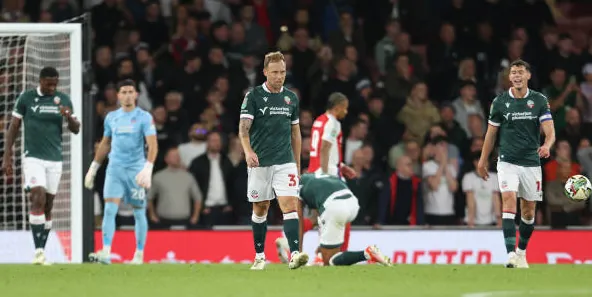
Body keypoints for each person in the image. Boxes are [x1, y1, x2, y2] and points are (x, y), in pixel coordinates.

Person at [478, 59, 555, 268]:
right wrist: (482, 160)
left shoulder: (539, 100)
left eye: (521, 72)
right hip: (507, 161)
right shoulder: (500, 102)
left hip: (531, 162)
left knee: (528, 212)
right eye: (513, 73)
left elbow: (549, 130)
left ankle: (521, 252)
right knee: (509, 200)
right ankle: (510, 254)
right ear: (509, 77)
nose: (517, 76)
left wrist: (547, 145)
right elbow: (490, 134)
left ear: (528, 75)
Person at [2, 66, 80, 265]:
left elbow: (76, 129)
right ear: (41, 81)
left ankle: (41, 252)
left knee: (48, 205)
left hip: (55, 159)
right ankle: (37, 251)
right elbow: (13, 127)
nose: (53, 87)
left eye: (55, 83)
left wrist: (68, 116)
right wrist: (7, 155)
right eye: (49, 83)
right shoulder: (26, 98)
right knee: (37, 196)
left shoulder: (63, 100)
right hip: (32, 157)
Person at [238, 51, 308, 270]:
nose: (280, 76)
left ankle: (295, 253)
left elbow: (296, 133)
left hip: (284, 161)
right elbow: (243, 129)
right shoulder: (254, 96)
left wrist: (296, 165)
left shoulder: (291, 98)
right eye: (275, 72)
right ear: (265, 72)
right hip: (260, 163)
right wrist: (248, 152)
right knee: (261, 208)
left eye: (283, 72)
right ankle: (260, 256)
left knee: (290, 205)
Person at [276, 92, 356, 265]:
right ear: (337, 107)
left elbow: (323, 149)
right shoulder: (334, 123)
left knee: (315, 218)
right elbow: (325, 149)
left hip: (313, 172)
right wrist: (326, 176)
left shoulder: (319, 120)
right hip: (325, 175)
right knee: (341, 214)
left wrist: (341, 166)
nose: (346, 112)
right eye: (345, 108)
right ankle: (334, 255)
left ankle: (289, 243)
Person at [84, 79, 158, 264]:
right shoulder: (111, 117)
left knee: (139, 212)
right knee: (109, 209)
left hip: (135, 170)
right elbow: (105, 143)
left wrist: (148, 168)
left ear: (136, 94)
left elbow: (152, 145)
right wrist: (93, 168)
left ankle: (139, 254)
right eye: (123, 92)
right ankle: (106, 252)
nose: (127, 95)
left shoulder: (144, 117)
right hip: (115, 169)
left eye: (130, 91)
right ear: (118, 95)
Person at [298, 173, 391, 266]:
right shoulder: (317, 177)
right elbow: (318, 216)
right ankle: (325, 253)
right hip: (352, 204)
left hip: (335, 207)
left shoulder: (295, 189)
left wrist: (297, 254)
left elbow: (298, 225)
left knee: (329, 261)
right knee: (330, 250)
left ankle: (367, 253)